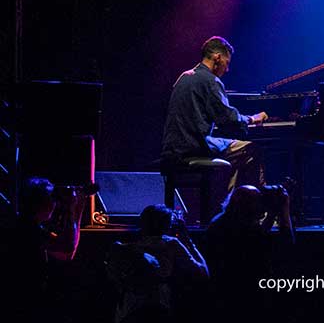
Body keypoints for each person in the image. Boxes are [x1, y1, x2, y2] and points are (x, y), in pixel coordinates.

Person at [160, 36, 267, 191]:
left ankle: (230, 200)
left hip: (173, 149)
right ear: (217, 58)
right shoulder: (210, 81)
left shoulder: (184, 77)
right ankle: (254, 202)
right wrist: (253, 119)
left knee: (234, 153)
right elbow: (229, 120)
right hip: (195, 146)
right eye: (227, 63)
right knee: (251, 149)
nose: (227, 69)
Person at [106, 204, 208, 323]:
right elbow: (203, 271)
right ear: (167, 225)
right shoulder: (171, 244)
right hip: (158, 306)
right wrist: (188, 241)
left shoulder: (125, 246)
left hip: (128, 308)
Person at [204, 184, 294, 314]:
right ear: (246, 206)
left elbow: (258, 236)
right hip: (246, 297)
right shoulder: (241, 230)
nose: (262, 204)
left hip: (224, 293)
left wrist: (271, 214)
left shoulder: (222, 221)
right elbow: (286, 244)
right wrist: (284, 210)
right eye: (257, 201)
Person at [3, 177, 86, 305]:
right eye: (51, 198)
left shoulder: (28, 225)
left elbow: (66, 254)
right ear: (39, 202)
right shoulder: (28, 229)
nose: (55, 203)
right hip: (22, 300)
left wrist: (77, 210)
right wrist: (71, 209)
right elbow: (67, 247)